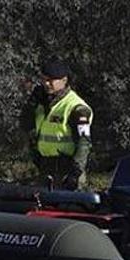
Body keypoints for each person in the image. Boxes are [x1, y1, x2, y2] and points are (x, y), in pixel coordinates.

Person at [27, 58, 92, 190]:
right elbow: (26, 126)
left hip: (68, 170)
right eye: (44, 79)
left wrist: (75, 172)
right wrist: (30, 105)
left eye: (51, 80)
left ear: (64, 80)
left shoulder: (76, 107)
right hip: (46, 168)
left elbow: (84, 141)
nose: (46, 83)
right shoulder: (43, 103)